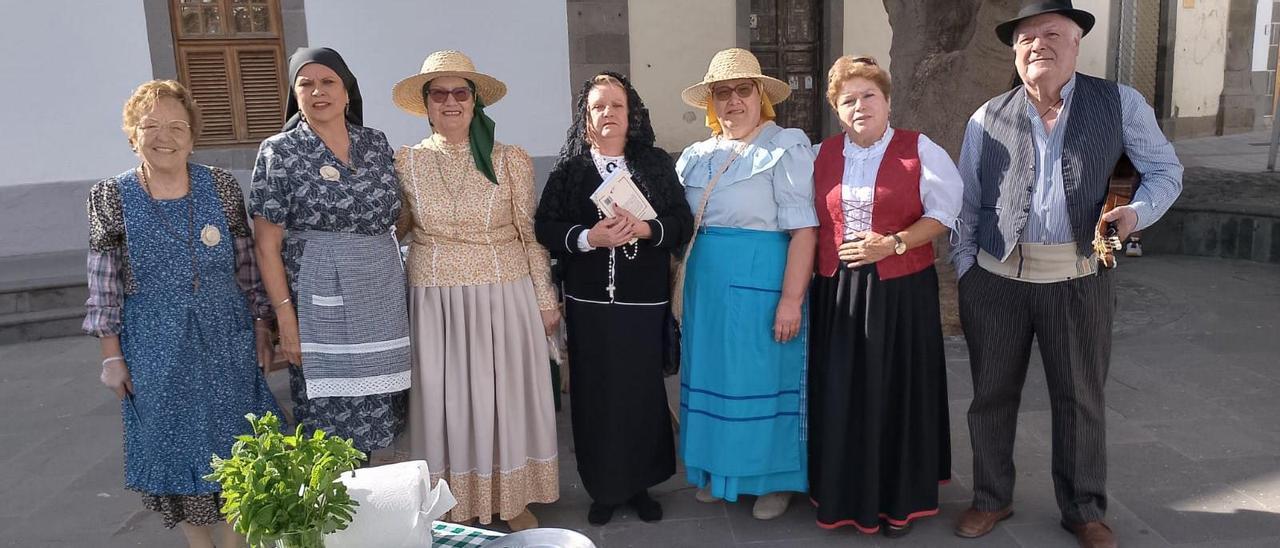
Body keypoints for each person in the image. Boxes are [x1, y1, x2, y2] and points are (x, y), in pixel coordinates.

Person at [950, 2, 1183, 546]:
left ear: (1078, 43)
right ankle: (990, 497)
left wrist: (1136, 214)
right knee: (990, 395)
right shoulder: (987, 116)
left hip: (1079, 276)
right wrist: (967, 274)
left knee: (1080, 397)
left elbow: (1165, 171)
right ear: (1014, 50)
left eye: (1053, 33)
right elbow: (967, 203)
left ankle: (1083, 509)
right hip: (996, 280)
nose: (1039, 45)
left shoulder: (1120, 103)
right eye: (1027, 38)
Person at [84, 79, 281, 548]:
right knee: (173, 446)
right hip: (154, 344)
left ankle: (236, 542)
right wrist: (111, 357)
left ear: (193, 135)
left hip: (226, 336)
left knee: (241, 442)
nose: (164, 137)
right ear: (132, 134)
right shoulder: (111, 197)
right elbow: (104, 284)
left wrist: (261, 325)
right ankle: (201, 543)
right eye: (150, 126)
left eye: (177, 126)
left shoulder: (222, 186)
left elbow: (247, 266)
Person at [391, 50, 559, 531]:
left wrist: (545, 298)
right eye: (438, 93)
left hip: (502, 293)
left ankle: (512, 499)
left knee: (503, 398)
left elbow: (529, 233)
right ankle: (452, 502)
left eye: (459, 92)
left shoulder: (510, 160)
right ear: (425, 104)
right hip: (434, 299)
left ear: (475, 101)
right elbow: (397, 229)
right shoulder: (406, 162)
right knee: (448, 404)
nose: (450, 102)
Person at [807, 55, 961, 538]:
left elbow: (944, 215)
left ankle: (898, 501)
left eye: (868, 95)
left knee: (896, 391)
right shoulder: (820, 154)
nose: (860, 106)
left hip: (900, 291)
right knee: (843, 394)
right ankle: (845, 495)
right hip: (836, 291)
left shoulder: (920, 150)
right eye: (847, 100)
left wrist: (892, 243)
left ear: (888, 101)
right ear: (836, 110)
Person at [534, 72, 694, 525]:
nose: (608, 114)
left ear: (631, 114)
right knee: (595, 393)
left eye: (616, 106)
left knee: (641, 393)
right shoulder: (570, 170)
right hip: (587, 304)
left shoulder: (654, 164)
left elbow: (681, 221)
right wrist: (588, 236)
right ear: (586, 117)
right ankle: (603, 488)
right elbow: (545, 225)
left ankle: (640, 485)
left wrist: (647, 229)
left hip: (643, 302)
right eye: (599, 106)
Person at [674, 48, 818, 521]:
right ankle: (722, 471)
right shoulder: (697, 155)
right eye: (722, 93)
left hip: (762, 283)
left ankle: (773, 480)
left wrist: (791, 300)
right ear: (711, 103)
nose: (733, 101)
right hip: (707, 286)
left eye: (742, 91)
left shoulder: (785, 145)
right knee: (714, 374)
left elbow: (803, 230)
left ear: (761, 97)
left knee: (762, 378)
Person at [250, 48, 410, 459]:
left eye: (328, 82)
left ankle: (383, 513)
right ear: (294, 93)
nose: (317, 91)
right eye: (306, 84)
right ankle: (336, 519)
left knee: (385, 418)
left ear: (347, 91)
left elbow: (398, 215)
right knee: (329, 430)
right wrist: (286, 319)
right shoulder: (279, 151)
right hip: (321, 303)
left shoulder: (375, 143)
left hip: (381, 298)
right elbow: (267, 246)